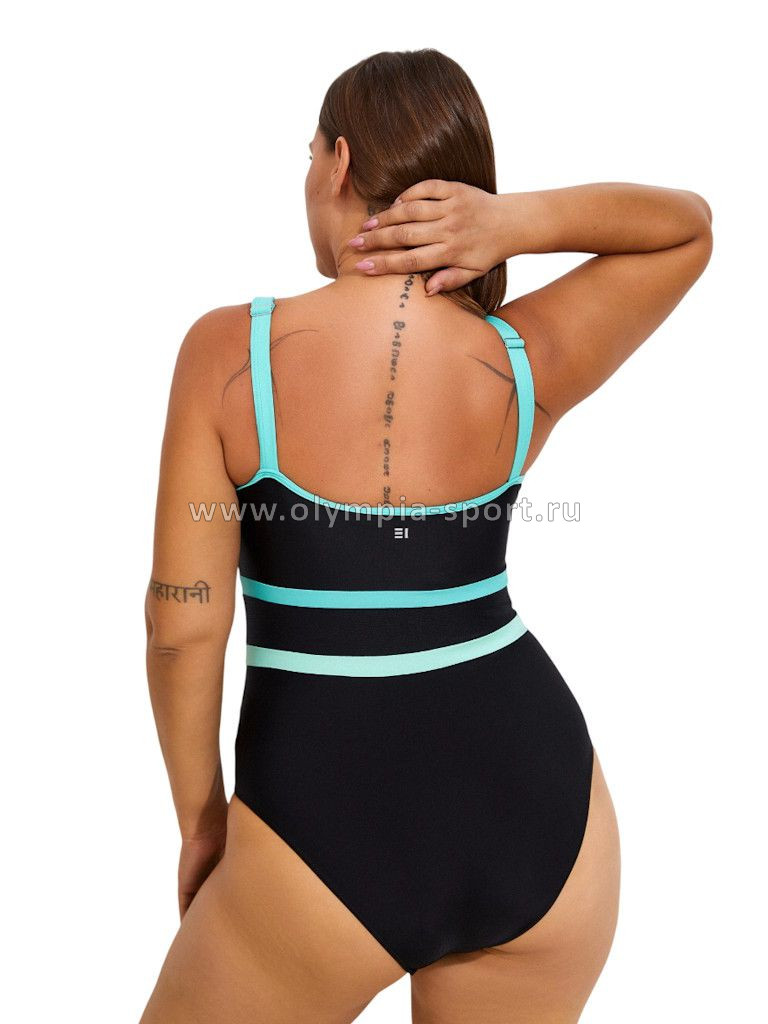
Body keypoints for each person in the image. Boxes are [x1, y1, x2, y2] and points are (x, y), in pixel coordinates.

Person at [139, 49, 712, 1024]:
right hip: (544, 816)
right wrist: (516, 222)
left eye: (309, 155)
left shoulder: (231, 355)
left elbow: (183, 627)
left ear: (338, 162)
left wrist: (203, 822)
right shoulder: (522, 358)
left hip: (320, 823)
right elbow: (687, 229)